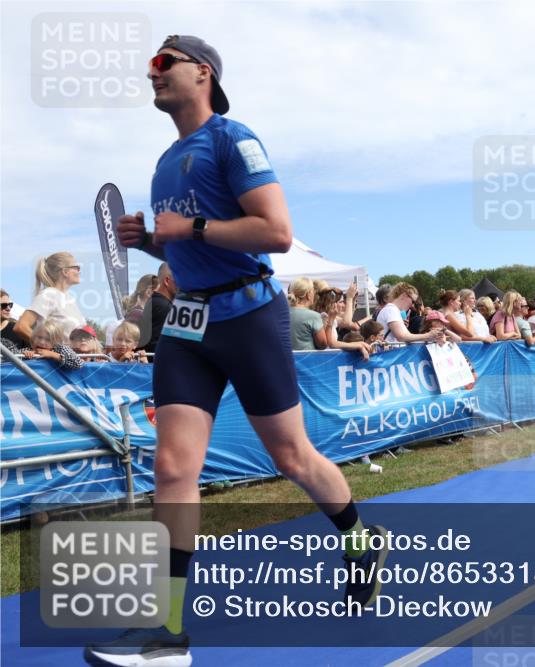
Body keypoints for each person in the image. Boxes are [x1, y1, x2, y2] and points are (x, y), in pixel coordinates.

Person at [90, 35, 388, 666]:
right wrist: (151, 243)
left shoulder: (233, 138)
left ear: (203, 73)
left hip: (249, 313)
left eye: (163, 64)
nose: (153, 74)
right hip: (190, 323)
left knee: (291, 456)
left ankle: (359, 538)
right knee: (173, 469)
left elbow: (275, 233)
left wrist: (189, 227)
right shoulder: (166, 161)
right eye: (150, 66)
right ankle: (167, 633)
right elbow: (187, 247)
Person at [13, 252, 86, 342]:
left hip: (76, 356)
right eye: (77, 267)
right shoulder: (48, 295)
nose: (80, 271)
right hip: (61, 355)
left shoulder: (69, 298)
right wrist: (48, 348)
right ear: (65, 271)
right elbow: (21, 326)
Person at [377, 282, 445, 344]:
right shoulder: (391, 310)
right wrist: (428, 335)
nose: (412, 305)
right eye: (413, 301)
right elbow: (402, 337)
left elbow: (407, 337)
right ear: (404, 295)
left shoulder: (392, 309)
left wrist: (431, 338)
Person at [9, 319, 84, 370]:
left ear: (56, 342)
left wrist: (54, 355)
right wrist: (23, 356)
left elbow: (78, 364)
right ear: (33, 337)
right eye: (39, 337)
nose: (42, 342)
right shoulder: (28, 350)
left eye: (48, 340)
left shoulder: (61, 349)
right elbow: (7, 362)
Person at [140, 262, 176, 352]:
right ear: (167, 281)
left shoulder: (154, 301)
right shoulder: (164, 307)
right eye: (179, 279)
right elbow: (157, 345)